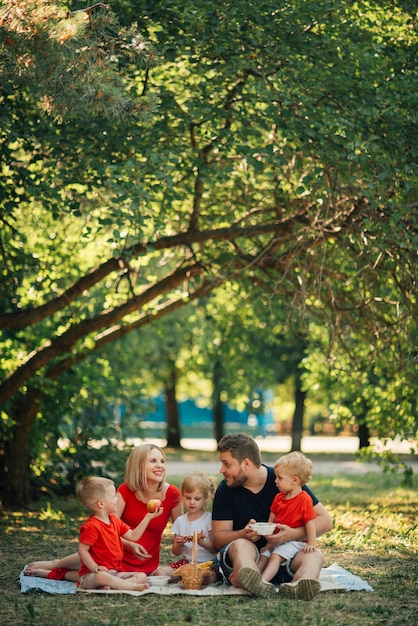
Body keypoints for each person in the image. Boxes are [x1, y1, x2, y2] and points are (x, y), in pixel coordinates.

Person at [24, 444, 182, 581]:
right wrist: (129, 545)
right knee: (94, 567)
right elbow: (107, 526)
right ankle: (55, 564)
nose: (160, 465)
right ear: (138, 466)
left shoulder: (173, 494)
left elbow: (181, 533)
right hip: (112, 549)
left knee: (99, 576)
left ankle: (54, 573)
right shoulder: (125, 490)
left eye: (162, 461)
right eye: (153, 461)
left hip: (145, 561)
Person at [211, 433, 333, 601]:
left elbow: (326, 521)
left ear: (246, 463)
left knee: (314, 555)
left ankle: (301, 585)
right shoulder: (225, 490)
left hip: (285, 556)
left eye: (226, 464)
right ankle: (253, 579)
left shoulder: (283, 480)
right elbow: (218, 539)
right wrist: (242, 534)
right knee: (241, 545)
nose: (221, 470)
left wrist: (292, 534)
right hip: (249, 556)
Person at [76, 476, 152, 591]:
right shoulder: (91, 526)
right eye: (113, 496)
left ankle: (112, 586)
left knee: (142, 576)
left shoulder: (114, 520)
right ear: (101, 504)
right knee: (102, 577)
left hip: (114, 573)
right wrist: (94, 567)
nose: (117, 499)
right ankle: (131, 586)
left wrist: (148, 517)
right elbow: (82, 550)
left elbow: (133, 536)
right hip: (92, 575)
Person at [257, 452, 317, 583]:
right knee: (264, 555)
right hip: (278, 541)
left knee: (275, 556)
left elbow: (310, 523)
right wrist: (269, 542)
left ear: (295, 480)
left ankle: (262, 582)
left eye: (279, 478)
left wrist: (311, 544)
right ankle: (253, 577)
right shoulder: (279, 498)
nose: (275, 481)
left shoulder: (304, 499)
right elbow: (271, 520)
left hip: (295, 542)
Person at [156, 471, 221, 584]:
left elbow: (215, 549)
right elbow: (175, 552)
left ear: (205, 498)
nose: (191, 502)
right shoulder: (180, 521)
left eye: (197, 499)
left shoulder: (209, 519)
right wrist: (178, 544)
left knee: (205, 577)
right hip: (187, 563)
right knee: (160, 574)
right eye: (188, 497)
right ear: (182, 496)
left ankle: (190, 577)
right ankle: (186, 576)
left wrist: (201, 542)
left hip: (207, 564)